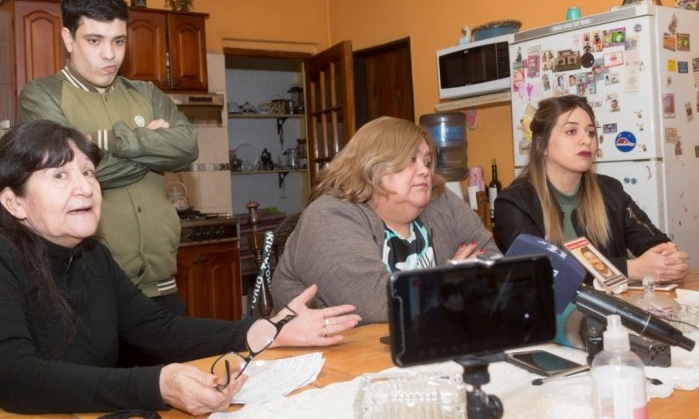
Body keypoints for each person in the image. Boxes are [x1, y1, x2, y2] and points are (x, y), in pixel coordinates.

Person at [0, 121, 361, 419]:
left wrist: (264, 332)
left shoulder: (91, 254)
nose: (83, 187)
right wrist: (157, 384)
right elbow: (16, 382)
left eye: (87, 172)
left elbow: (157, 328)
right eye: (59, 175)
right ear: (13, 201)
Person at [17, 0, 191, 315]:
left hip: (162, 283)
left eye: (118, 41)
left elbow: (187, 146)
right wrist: (153, 152)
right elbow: (69, 176)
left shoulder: (148, 93)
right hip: (88, 289)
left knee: (181, 368)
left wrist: (107, 142)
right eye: (94, 40)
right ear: (69, 39)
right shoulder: (42, 96)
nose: (110, 54)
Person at [271, 117, 500, 324]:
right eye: (410, 160)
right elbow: (376, 301)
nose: (424, 171)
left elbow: (496, 265)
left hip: (421, 346)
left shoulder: (441, 200)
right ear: (372, 166)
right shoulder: (328, 216)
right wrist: (452, 279)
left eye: (427, 162)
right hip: (320, 361)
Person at [494, 95, 690, 282]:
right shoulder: (513, 203)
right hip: (553, 315)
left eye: (591, 132)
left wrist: (668, 259)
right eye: (571, 131)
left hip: (612, 311)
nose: (586, 140)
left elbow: (653, 242)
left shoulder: (611, 190)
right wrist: (632, 269)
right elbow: (548, 270)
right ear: (541, 145)